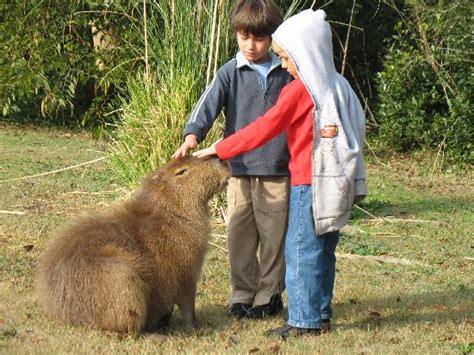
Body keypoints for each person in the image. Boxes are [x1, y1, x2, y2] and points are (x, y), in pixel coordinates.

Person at [193, 9, 367, 338]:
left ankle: (303, 320)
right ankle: (321, 312)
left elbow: (265, 127)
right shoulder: (337, 85)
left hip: (306, 184)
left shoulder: (299, 91)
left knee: (300, 251)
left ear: (306, 53)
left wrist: (221, 148)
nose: (284, 65)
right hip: (335, 184)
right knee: (324, 250)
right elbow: (357, 128)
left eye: (287, 57)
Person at [172, 0, 292, 319]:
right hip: (237, 171)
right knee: (239, 232)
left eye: (259, 38)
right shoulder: (230, 71)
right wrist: (192, 135)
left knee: (273, 235)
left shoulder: (287, 71)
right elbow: (206, 105)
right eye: (243, 37)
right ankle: (242, 293)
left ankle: (268, 294)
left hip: (278, 170)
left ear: (272, 37)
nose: (251, 46)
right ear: (236, 35)